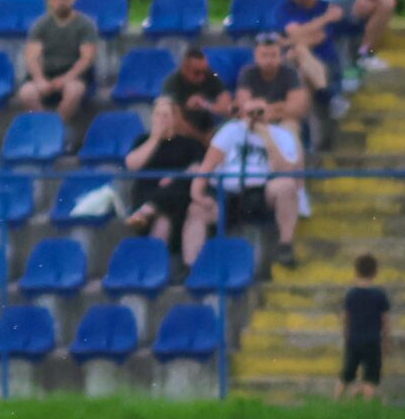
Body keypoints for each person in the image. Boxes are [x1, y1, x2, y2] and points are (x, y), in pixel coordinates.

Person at [186, 96, 302, 264]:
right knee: (196, 210)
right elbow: (207, 166)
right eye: (250, 113)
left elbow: (285, 170)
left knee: (287, 186)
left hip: (260, 192)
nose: (255, 117)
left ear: (269, 112)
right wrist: (197, 195)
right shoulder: (230, 131)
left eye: (260, 112)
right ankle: (192, 266)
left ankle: (285, 244)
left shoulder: (281, 135)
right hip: (227, 192)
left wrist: (266, 136)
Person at [122, 96, 208, 247]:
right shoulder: (143, 140)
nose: (161, 119)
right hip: (147, 193)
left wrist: (175, 176)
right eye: (157, 115)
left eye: (166, 115)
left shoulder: (189, 143)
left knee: (168, 209)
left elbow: (198, 167)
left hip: (177, 195)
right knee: (162, 219)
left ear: (175, 118)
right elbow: (132, 165)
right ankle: (149, 210)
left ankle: (148, 210)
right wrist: (155, 139)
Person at [16, 0, 99, 118]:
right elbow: (32, 57)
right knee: (26, 93)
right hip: (46, 72)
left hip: (75, 75)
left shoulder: (85, 24)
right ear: (49, 1)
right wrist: (39, 79)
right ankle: (45, 124)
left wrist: (66, 78)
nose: (61, 2)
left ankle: (57, 125)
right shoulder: (41, 24)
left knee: (74, 92)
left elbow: (87, 58)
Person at [279, 0, 345, 104]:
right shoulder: (286, 7)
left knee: (296, 51)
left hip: (325, 62)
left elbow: (318, 37)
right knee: (297, 54)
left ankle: (325, 98)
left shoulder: (326, 6)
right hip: (297, 64)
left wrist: (288, 41)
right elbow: (296, 34)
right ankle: (327, 95)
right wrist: (326, 18)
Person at [338, 253, 391, 401]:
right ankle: (367, 405)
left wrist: (346, 335)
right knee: (371, 377)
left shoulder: (351, 294)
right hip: (373, 340)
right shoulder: (380, 295)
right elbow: (385, 321)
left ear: (356, 271)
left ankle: (336, 400)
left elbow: (345, 318)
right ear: (375, 272)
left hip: (354, 340)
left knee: (346, 374)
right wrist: (386, 340)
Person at [236, 33, 309, 128]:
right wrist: (280, 107)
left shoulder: (290, 73)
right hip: (255, 121)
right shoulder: (247, 73)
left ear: (281, 57)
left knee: (291, 125)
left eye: (273, 55)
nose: (269, 60)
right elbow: (244, 106)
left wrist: (264, 109)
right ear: (256, 57)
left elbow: (297, 108)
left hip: (283, 120)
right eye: (264, 55)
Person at [162, 45, 233, 141]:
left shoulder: (211, 76)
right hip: (184, 136)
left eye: (205, 71)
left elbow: (228, 108)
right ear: (185, 69)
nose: (202, 77)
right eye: (197, 73)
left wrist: (206, 104)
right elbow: (175, 121)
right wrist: (202, 139)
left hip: (210, 131)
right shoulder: (172, 83)